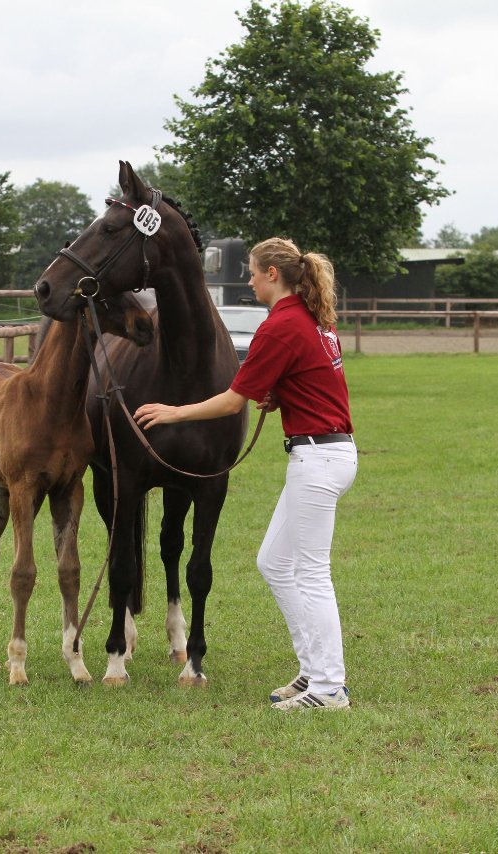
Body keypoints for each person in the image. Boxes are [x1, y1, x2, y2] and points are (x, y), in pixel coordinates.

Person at [133, 237, 356, 711]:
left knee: (313, 574)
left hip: (318, 458)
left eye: (253, 273)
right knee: (274, 563)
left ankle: (330, 687)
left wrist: (172, 413)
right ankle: (312, 673)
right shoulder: (312, 318)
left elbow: (233, 400)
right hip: (326, 453)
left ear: (272, 275)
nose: (249, 279)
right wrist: (287, 394)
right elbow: (317, 378)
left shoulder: (281, 323)